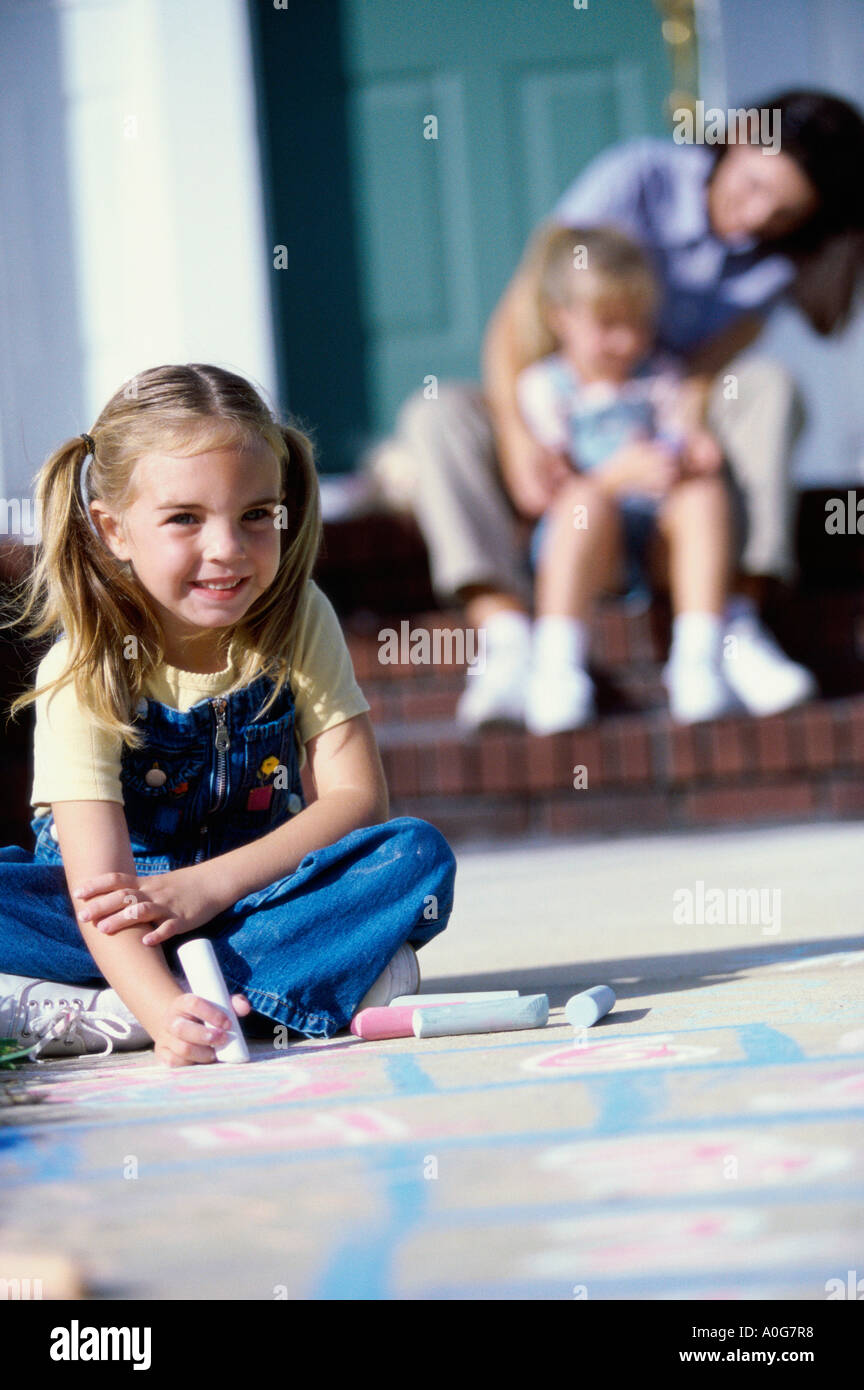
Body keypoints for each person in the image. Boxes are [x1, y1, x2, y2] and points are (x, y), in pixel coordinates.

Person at [365, 88, 864, 730]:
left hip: (659, 429)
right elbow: (520, 316)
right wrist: (519, 442)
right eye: (754, 186)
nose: (756, 216)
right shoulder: (637, 179)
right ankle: (508, 636)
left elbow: (710, 369)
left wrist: (683, 428)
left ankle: (735, 617)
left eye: (785, 211)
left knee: (768, 385)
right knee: (436, 416)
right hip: (555, 408)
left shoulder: (781, 258)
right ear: (739, 137)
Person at [0, 364, 456, 1066]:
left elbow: (359, 800)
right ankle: (203, 1001)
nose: (229, 549)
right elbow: (98, 893)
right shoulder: (84, 665)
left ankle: (121, 1009)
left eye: (256, 515)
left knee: (412, 856)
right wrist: (162, 1013)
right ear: (113, 528)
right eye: (185, 518)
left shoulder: (299, 617)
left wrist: (207, 887)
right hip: (112, 922)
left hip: (252, 900)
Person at [518, 224, 737, 732]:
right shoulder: (545, 388)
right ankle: (556, 667)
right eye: (608, 323)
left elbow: (682, 436)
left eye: (637, 324)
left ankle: (699, 659)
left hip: (659, 542)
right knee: (585, 502)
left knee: (703, 494)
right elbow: (555, 487)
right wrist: (619, 475)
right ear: (561, 318)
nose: (626, 340)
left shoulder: (659, 378)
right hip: (590, 551)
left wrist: (693, 450)